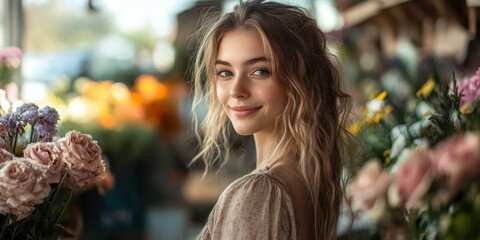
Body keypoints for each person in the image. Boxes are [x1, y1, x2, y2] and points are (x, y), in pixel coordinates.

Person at [190, 0, 352, 239]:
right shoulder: (306, 179)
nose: (236, 90)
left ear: (299, 83)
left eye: (260, 71)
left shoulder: (260, 192)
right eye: (225, 72)